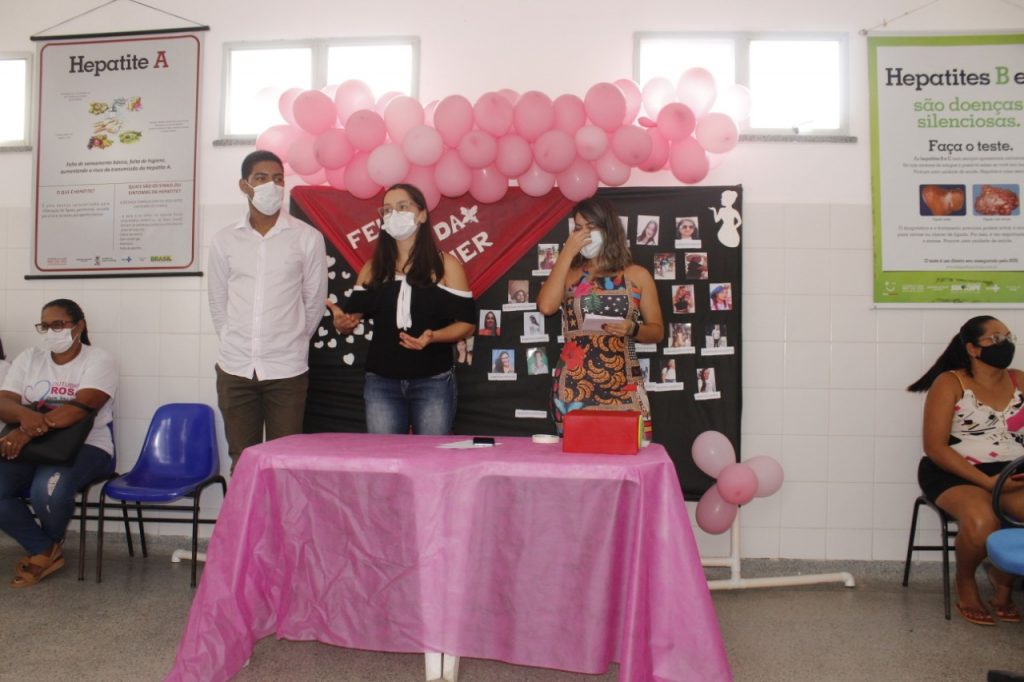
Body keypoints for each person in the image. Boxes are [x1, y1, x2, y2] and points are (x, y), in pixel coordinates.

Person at [208, 150, 328, 472]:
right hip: (235, 369)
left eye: (277, 179)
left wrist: (293, 341)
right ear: (244, 185)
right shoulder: (224, 240)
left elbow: (314, 301)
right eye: (261, 178)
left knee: (285, 464)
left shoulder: (307, 238)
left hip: (286, 370)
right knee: (242, 460)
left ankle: (280, 512)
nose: (271, 186)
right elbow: (218, 301)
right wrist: (232, 339)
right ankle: (245, 510)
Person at [327, 183, 475, 434]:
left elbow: (467, 324)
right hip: (381, 383)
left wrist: (433, 336)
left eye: (403, 207)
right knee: (384, 455)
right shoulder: (373, 268)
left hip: (433, 381)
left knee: (431, 454)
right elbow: (350, 320)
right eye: (387, 210)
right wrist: (342, 323)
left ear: (422, 214)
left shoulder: (445, 265)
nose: (394, 214)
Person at [907, 315, 1024, 626]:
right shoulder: (950, 383)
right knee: (982, 519)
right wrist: (987, 482)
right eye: (995, 339)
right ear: (973, 349)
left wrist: (1006, 478)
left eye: (1008, 337)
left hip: (1009, 471)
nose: (1005, 344)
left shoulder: (1019, 380)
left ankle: (1003, 579)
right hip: (953, 472)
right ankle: (965, 580)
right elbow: (935, 447)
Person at [0, 299, 117, 587]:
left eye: (58, 324)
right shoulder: (30, 358)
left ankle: (46, 548)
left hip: (87, 446)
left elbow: (79, 409)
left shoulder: (99, 360)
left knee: (47, 491)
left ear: (79, 326)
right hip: (34, 447)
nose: (51, 331)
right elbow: (4, 403)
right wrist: (26, 420)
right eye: (45, 326)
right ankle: (44, 549)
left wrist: (25, 430)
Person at [538, 197, 663, 439]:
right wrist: (566, 254)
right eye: (578, 228)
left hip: (625, 385)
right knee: (577, 457)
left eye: (591, 227)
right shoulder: (569, 274)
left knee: (631, 452)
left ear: (609, 229)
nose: (584, 234)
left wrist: (633, 329)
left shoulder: (637, 275)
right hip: (574, 387)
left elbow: (657, 331)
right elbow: (546, 306)